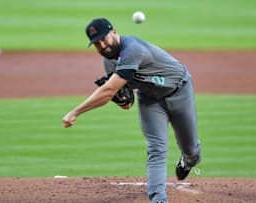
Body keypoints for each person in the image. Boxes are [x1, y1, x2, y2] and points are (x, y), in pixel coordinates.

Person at [62, 18, 202, 203]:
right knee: (156, 148)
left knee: (190, 147)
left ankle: (189, 159)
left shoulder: (132, 49)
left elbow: (108, 90)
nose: (102, 45)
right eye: (96, 43)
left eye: (103, 39)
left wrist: (75, 112)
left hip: (179, 90)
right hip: (149, 99)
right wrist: (120, 100)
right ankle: (158, 198)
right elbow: (127, 103)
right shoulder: (110, 62)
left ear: (114, 32)